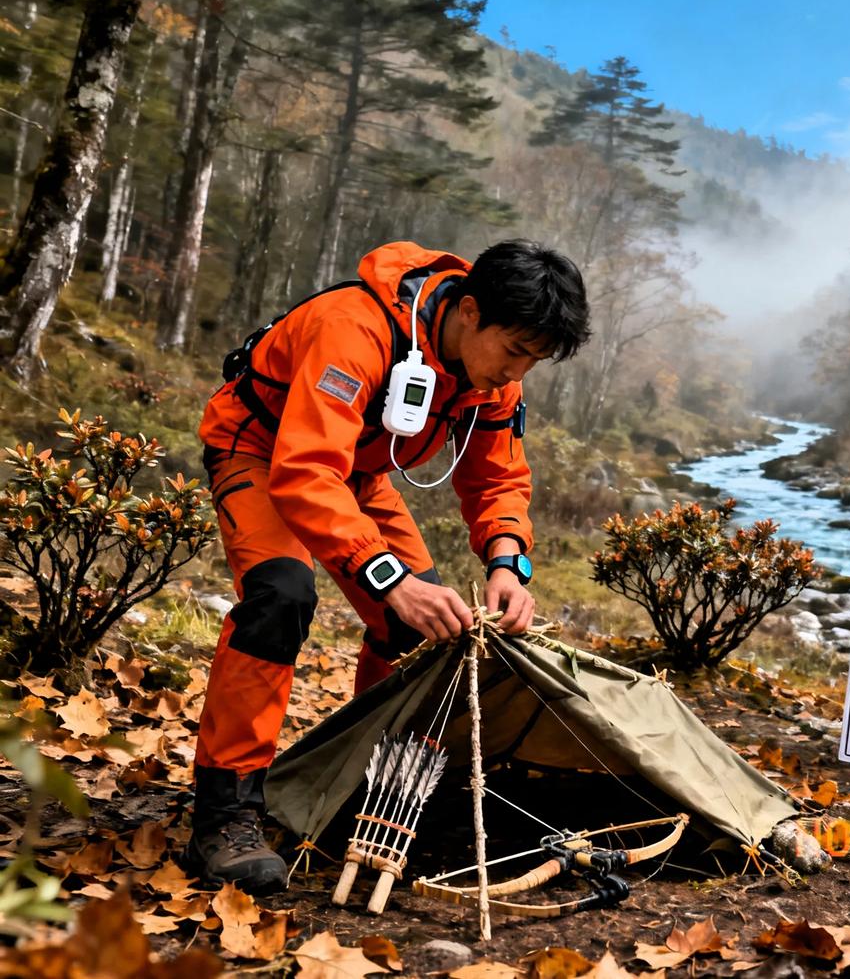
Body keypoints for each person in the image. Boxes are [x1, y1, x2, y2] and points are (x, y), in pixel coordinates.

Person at [183, 240, 591, 892]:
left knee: (418, 636)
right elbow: (305, 470)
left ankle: (364, 793)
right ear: (469, 312)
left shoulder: (494, 378)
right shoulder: (355, 328)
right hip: (262, 448)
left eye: (533, 361)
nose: (517, 371)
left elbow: (498, 481)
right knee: (280, 597)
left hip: (357, 472)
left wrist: (508, 564)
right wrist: (388, 579)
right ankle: (224, 814)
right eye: (515, 351)